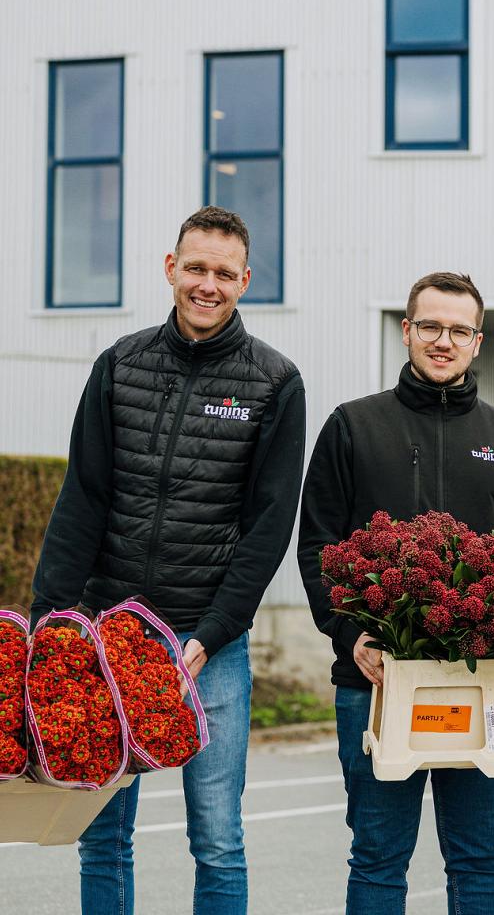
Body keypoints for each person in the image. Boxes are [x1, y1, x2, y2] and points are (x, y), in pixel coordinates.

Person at [31, 206, 306, 915]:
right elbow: (83, 499)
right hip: (106, 642)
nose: (206, 284)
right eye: (195, 268)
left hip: (206, 650)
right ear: (170, 268)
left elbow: (268, 526)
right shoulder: (119, 364)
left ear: (245, 280)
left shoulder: (275, 382)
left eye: (223, 273)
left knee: (216, 838)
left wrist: (211, 634)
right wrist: (48, 624)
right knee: (102, 831)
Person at [297, 270, 494, 915]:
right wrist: (350, 634)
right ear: (409, 331)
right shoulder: (353, 427)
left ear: (478, 341)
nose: (444, 342)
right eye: (431, 327)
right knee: (379, 859)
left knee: (477, 859)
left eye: (459, 330)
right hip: (376, 681)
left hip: (486, 685)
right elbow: (318, 547)